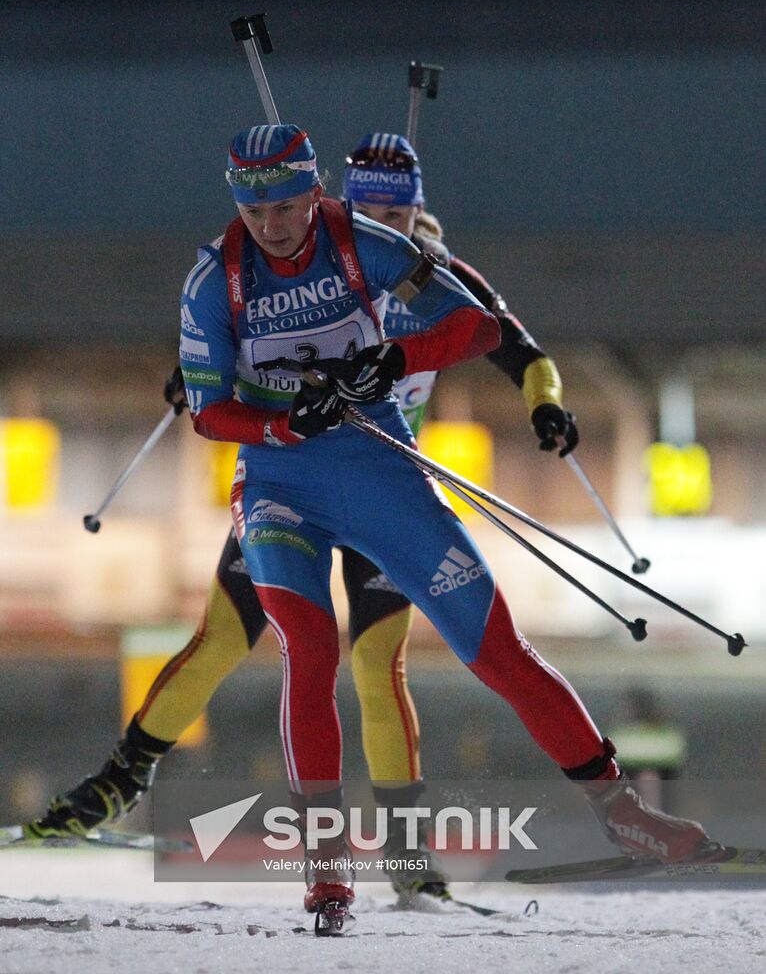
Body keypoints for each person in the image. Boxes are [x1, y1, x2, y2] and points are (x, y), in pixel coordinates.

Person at [32, 125, 714, 918]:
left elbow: (504, 340)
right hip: (284, 483)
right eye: (258, 210)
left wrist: (507, 390)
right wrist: (243, 400)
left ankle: (524, 829)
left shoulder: (390, 254)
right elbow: (215, 401)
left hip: (386, 473)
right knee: (276, 645)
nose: (276, 225)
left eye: (291, 205)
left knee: (435, 660)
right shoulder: (223, 275)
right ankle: (215, 816)